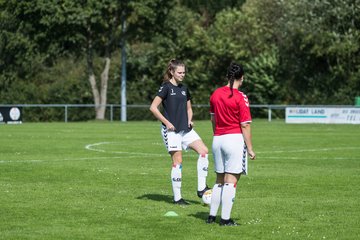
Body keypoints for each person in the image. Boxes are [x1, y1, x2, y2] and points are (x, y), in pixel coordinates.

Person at [149, 59, 210, 205]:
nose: (183, 75)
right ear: (172, 72)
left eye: (184, 72)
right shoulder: (165, 87)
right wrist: (167, 123)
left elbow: (189, 108)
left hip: (185, 129)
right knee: (178, 162)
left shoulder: (184, 88)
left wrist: (190, 119)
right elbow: (153, 107)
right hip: (172, 132)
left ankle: (201, 188)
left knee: (204, 151)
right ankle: (178, 198)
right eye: (180, 72)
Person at [206, 62, 256, 226]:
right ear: (241, 77)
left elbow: (213, 118)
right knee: (231, 180)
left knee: (219, 179)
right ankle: (225, 220)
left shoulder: (215, 94)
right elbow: (245, 125)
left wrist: (217, 134)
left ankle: (211, 217)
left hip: (217, 139)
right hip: (233, 139)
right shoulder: (241, 97)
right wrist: (250, 148)